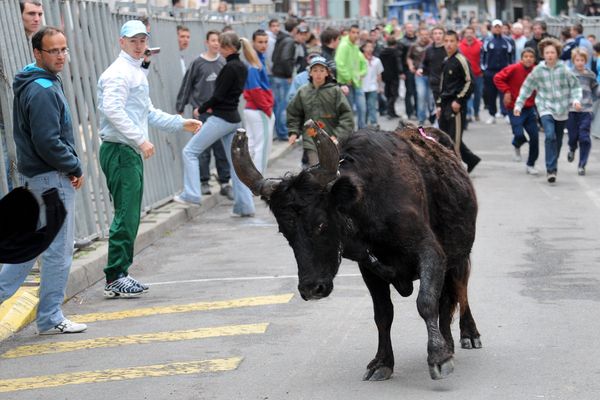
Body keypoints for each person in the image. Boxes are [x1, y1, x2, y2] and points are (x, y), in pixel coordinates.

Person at [97, 20, 202, 297]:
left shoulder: (133, 72)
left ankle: (120, 273)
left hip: (126, 150)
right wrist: (139, 139)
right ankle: (115, 276)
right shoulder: (119, 73)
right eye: (133, 40)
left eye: (142, 40)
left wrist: (180, 123)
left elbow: (148, 112)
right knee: (126, 214)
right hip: (121, 150)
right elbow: (112, 110)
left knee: (130, 214)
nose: (139, 45)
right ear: (122, 42)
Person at [0, 26, 87, 334]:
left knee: (27, 248)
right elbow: (48, 141)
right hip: (51, 180)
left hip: (39, 179)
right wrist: (75, 165)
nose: (61, 55)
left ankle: (49, 315)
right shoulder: (42, 90)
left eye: (64, 49)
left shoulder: (36, 81)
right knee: (58, 253)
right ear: (37, 53)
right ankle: (50, 317)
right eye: (54, 51)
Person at [174, 32, 260, 218]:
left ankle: (192, 193)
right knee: (235, 165)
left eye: (221, 45)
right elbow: (229, 95)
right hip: (233, 119)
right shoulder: (242, 66)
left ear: (228, 48)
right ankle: (245, 207)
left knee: (189, 151)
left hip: (221, 119)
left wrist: (202, 108)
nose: (218, 48)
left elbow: (218, 95)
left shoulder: (229, 67)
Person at [514, 38, 582, 184]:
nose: (550, 55)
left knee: (557, 141)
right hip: (545, 107)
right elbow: (527, 88)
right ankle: (551, 170)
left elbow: (575, 86)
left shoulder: (564, 69)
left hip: (562, 108)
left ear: (557, 54)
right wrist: (518, 105)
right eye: (547, 53)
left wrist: (576, 100)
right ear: (543, 55)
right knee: (549, 135)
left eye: (552, 52)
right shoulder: (538, 70)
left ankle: (553, 161)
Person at [176, 30, 233, 199]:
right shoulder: (197, 63)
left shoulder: (223, 63)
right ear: (206, 42)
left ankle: (225, 182)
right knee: (202, 149)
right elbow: (187, 85)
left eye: (218, 41)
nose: (216, 43)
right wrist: (180, 106)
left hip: (220, 114)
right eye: (213, 40)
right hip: (201, 113)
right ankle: (204, 181)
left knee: (221, 149)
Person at [287, 56, 354, 167]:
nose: (318, 74)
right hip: (311, 138)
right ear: (310, 73)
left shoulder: (335, 91)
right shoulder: (303, 92)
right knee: (317, 167)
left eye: (322, 70)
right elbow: (294, 113)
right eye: (315, 70)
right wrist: (294, 132)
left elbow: (346, 115)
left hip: (332, 139)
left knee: (333, 168)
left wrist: (337, 135)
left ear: (327, 73)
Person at [436, 30, 481, 173]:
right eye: (446, 41)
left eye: (452, 41)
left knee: (454, 140)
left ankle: (456, 171)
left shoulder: (461, 60)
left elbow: (470, 82)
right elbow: (442, 85)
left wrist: (459, 100)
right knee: (444, 137)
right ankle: (471, 160)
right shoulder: (446, 61)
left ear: (457, 42)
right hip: (444, 104)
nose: (449, 44)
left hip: (456, 106)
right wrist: (438, 104)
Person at [493, 47, 540, 175]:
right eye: (526, 57)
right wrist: (506, 91)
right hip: (514, 107)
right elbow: (497, 78)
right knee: (519, 134)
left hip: (530, 108)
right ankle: (517, 144)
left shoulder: (537, 70)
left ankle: (531, 164)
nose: (528, 59)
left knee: (535, 137)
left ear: (534, 59)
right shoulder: (514, 68)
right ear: (521, 58)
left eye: (531, 57)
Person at [243, 30, 275, 173]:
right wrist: (267, 108)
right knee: (262, 148)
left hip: (254, 109)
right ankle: (258, 181)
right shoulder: (254, 64)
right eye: (260, 42)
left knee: (252, 146)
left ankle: (248, 179)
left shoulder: (257, 60)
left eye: (265, 41)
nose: (263, 45)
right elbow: (256, 90)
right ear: (253, 42)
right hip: (259, 110)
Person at [566, 48, 597, 175]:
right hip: (572, 110)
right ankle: (572, 148)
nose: (579, 62)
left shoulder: (590, 75)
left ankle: (582, 164)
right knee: (573, 136)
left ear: (586, 60)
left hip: (586, 109)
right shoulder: (568, 74)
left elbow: (595, 90)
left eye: (582, 60)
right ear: (573, 61)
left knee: (584, 137)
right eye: (577, 60)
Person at [481, 19, 515, 124]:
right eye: (495, 27)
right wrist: (484, 69)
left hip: (504, 72)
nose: (497, 29)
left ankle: (506, 113)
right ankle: (492, 114)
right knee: (491, 94)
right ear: (491, 28)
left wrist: (510, 69)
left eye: (499, 27)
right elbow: (482, 56)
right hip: (490, 72)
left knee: (505, 93)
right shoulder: (487, 40)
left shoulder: (508, 41)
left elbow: (512, 57)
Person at [271, 18, 299, 141]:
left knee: (278, 106)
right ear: (295, 29)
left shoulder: (280, 38)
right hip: (283, 77)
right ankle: (282, 133)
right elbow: (286, 58)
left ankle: (279, 132)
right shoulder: (289, 41)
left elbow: (274, 57)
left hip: (276, 75)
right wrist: (288, 74)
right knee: (283, 106)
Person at [336, 24, 367, 129]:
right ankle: (351, 133)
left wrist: (363, 72)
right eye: (353, 32)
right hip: (346, 83)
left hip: (356, 82)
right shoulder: (344, 45)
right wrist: (348, 77)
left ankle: (362, 132)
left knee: (362, 108)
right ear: (349, 33)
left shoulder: (355, 46)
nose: (356, 35)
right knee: (349, 111)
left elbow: (362, 61)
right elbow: (339, 63)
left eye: (358, 33)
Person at [418, 25, 446, 125]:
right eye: (435, 33)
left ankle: (440, 126)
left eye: (440, 33)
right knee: (432, 105)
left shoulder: (448, 48)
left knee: (443, 106)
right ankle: (435, 122)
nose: (437, 36)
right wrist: (421, 69)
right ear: (432, 36)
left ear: (444, 35)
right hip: (433, 82)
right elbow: (424, 63)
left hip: (446, 84)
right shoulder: (429, 49)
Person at [408, 27, 431, 126]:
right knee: (421, 96)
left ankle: (432, 117)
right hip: (419, 75)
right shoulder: (414, 45)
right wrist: (410, 65)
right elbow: (409, 57)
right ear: (419, 35)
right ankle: (421, 118)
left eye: (426, 34)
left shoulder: (432, 45)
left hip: (431, 75)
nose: (424, 36)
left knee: (430, 98)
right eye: (423, 34)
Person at [459, 26, 483, 122]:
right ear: (464, 34)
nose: (469, 34)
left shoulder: (480, 44)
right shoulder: (460, 45)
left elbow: (484, 58)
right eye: (467, 32)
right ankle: (468, 113)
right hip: (465, 75)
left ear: (474, 34)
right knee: (467, 95)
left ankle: (476, 112)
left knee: (478, 95)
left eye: (471, 32)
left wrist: (482, 70)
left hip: (478, 74)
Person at [361, 40, 384, 128]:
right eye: (368, 47)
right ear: (363, 48)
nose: (370, 49)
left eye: (371, 47)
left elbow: (379, 74)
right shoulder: (360, 60)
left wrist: (380, 86)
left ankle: (374, 123)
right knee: (364, 108)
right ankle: (364, 124)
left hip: (373, 87)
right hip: (362, 87)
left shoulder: (377, 60)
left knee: (372, 106)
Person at [379, 36, 402, 119]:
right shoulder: (396, 52)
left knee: (388, 93)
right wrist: (401, 72)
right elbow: (398, 64)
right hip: (394, 76)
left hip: (385, 76)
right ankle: (390, 111)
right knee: (394, 94)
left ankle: (391, 111)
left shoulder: (382, 52)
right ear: (395, 44)